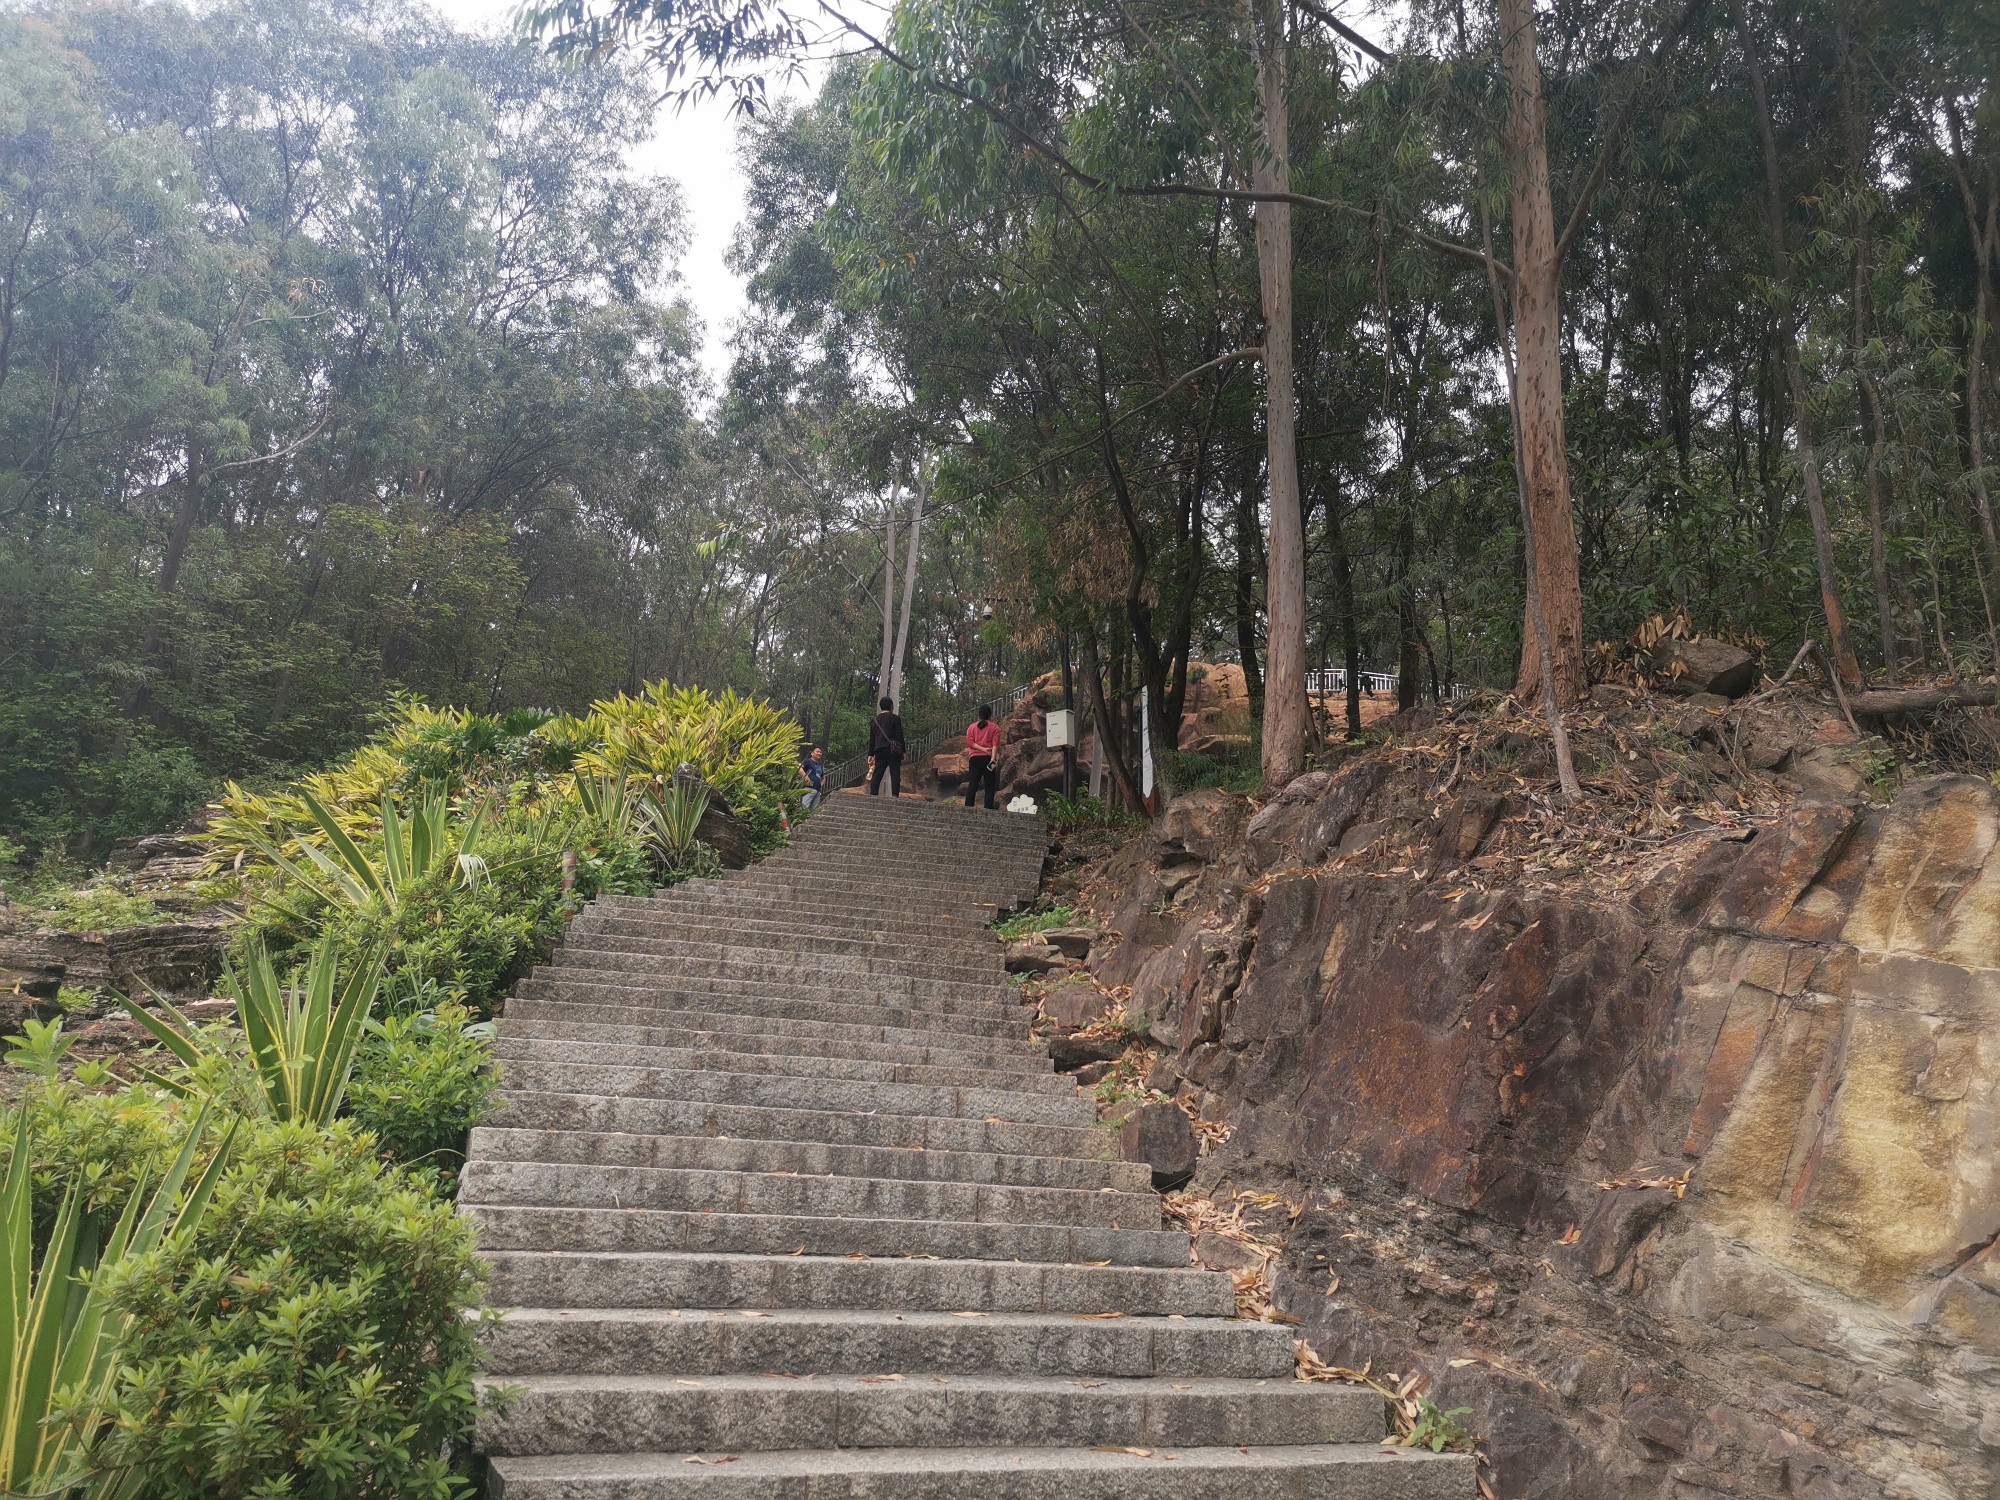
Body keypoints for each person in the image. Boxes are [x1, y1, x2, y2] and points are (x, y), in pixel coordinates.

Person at [963, 704, 1000, 810]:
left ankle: (968, 807)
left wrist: (981, 749)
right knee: (989, 785)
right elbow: (995, 745)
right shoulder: (995, 728)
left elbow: (970, 742)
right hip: (988, 759)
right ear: (990, 714)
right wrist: (993, 759)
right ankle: (988, 808)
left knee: (973, 784)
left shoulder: (972, 727)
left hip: (974, 759)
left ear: (979, 714)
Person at [867, 697, 905, 797]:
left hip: (879, 750)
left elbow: (872, 739)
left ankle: (873, 794)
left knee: (877, 773)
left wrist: (870, 754)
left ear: (880, 706)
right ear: (891, 706)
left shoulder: (874, 721)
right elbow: (899, 736)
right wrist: (903, 751)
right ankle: (895, 795)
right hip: (893, 750)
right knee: (895, 773)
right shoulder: (895, 718)